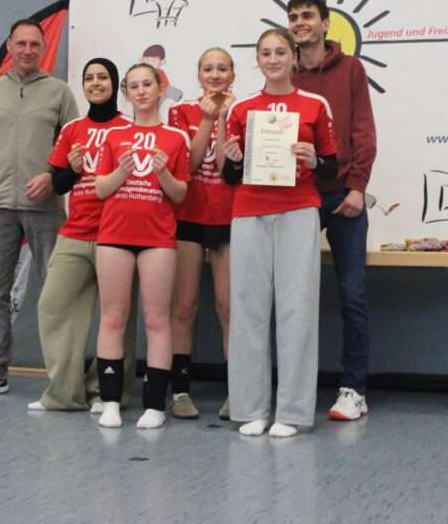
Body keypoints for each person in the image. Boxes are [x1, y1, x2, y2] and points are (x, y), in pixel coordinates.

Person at [222, 28, 338, 437]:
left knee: (297, 309)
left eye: (280, 52)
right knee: (248, 310)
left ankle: (291, 412)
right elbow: (230, 175)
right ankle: (251, 408)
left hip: (298, 211)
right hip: (249, 212)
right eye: (265, 53)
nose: (273, 59)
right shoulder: (241, 109)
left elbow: (332, 167)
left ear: (293, 58)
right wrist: (234, 158)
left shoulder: (314, 105)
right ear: (257, 60)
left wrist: (314, 159)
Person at [0, 18, 80, 398]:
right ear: (9, 45)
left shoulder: (59, 93)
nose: (28, 50)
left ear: (42, 49)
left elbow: (76, 148)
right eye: (21, 43)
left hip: (45, 208)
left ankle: (63, 376)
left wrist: (52, 177)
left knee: (57, 291)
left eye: (34, 44)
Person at [27, 58, 138, 412]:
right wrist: (73, 170)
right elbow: (59, 183)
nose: (95, 83)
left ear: (115, 84)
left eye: (103, 77)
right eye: (89, 78)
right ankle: (64, 393)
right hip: (75, 233)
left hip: (117, 234)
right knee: (53, 306)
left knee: (118, 317)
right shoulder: (73, 129)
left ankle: (109, 393)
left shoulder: (131, 128)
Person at [287, 0, 377, 421]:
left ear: (325, 24)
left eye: (307, 16)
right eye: (293, 17)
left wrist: (357, 187)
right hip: (297, 196)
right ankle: (291, 389)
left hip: (342, 194)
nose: (300, 22)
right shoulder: (284, 72)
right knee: (291, 295)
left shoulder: (351, 69)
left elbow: (363, 132)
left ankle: (354, 389)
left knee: (352, 293)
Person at [94, 63, 191, 429]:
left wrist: (162, 172)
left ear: (160, 88)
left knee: (157, 320)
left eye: (147, 84)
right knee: (112, 318)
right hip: (114, 236)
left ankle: (154, 405)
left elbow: (180, 194)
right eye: (133, 86)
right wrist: (122, 170)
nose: (141, 91)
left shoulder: (175, 138)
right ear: (126, 93)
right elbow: (100, 189)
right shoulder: (114, 135)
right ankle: (110, 402)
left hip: (157, 239)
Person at [167, 48, 236, 420]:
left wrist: (224, 117)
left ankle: (237, 392)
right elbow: (189, 165)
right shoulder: (181, 112)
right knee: (184, 306)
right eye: (208, 68)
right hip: (189, 216)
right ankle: (180, 391)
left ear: (232, 74)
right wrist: (208, 119)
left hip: (228, 217)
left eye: (222, 68)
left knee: (228, 306)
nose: (215, 74)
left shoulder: (243, 111)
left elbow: (227, 169)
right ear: (198, 74)